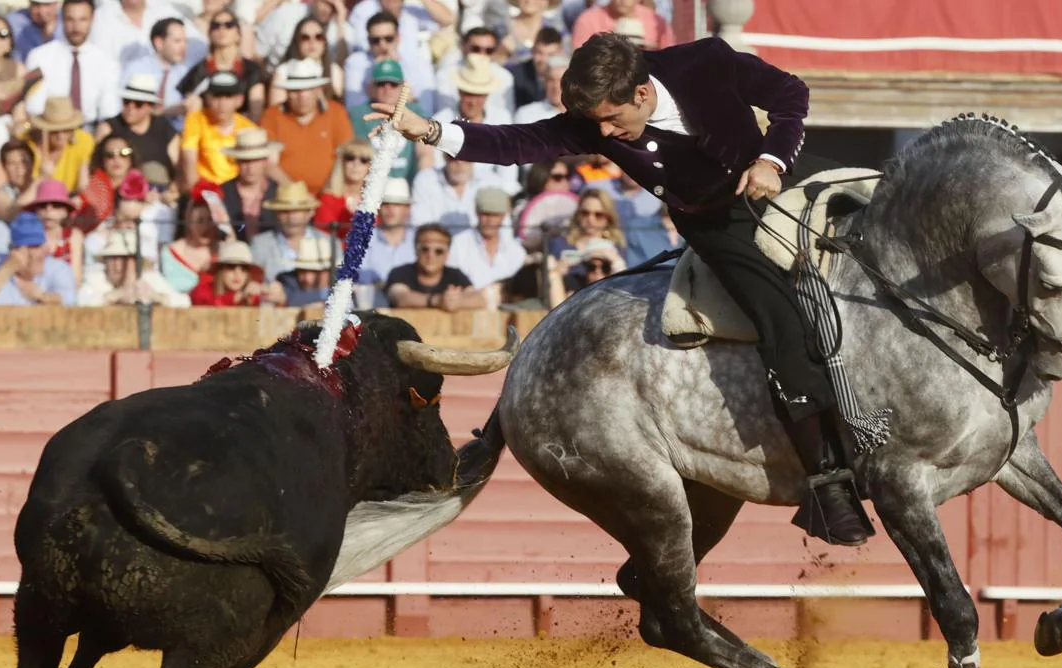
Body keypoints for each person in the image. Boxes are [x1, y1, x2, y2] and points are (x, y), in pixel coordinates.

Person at [370, 32, 869, 544]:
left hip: (787, 182)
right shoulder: (599, 120)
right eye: (596, 125)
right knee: (782, 319)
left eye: (612, 120)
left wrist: (772, 159)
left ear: (642, 93)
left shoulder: (708, 62)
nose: (605, 134)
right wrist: (429, 131)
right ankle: (827, 484)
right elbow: (518, 142)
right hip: (720, 227)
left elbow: (790, 94)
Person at [260, 57, 355, 194]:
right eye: (296, 90)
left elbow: (344, 157)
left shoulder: (336, 112)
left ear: (318, 90)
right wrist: (296, 192)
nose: (302, 96)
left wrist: (328, 192)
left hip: (329, 193)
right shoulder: (273, 116)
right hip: (286, 196)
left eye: (307, 89)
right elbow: (270, 163)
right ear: (287, 92)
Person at [26, 0, 121, 128]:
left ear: (92, 20)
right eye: (70, 19)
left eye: (82, 20)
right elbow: (34, 106)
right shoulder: (39, 57)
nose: (76, 28)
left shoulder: (107, 62)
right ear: (62, 19)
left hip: (90, 130)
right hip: (49, 128)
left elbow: (109, 110)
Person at [0, 210, 76, 305]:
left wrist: (42, 298)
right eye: (28, 247)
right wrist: (6, 270)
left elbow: (70, 299)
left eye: (38, 246)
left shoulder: (58, 268)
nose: (35, 254)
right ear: (12, 250)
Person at [177, 9, 266, 121]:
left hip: (243, 130)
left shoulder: (252, 69)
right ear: (209, 34)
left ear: (238, 34)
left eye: (229, 25)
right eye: (216, 26)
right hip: (207, 130)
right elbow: (187, 104)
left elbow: (256, 114)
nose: (221, 29)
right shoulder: (200, 69)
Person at [179, 70, 258, 187]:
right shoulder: (195, 120)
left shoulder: (249, 129)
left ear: (239, 100)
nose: (222, 103)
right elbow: (189, 165)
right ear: (207, 98)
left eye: (228, 97)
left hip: (236, 193)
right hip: (203, 191)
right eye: (217, 96)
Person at [97, 74, 180, 185]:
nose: (131, 108)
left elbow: (178, 168)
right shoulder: (107, 128)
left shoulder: (165, 130)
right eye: (126, 101)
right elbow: (96, 166)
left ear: (150, 106)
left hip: (159, 191)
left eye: (138, 104)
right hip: (119, 190)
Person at [447, 185, 525, 302]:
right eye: (485, 214)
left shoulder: (516, 251)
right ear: (477, 212)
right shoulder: (457, 245)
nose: (490, 220)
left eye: (495, 215)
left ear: (503, 216)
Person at [78, 228, 189, 306]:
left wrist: (157, 297)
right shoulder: (97, 278)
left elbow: (184, 302)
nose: (117, 265)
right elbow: (79, 302)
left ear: (136, 262)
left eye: (124, 259)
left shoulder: (149, 279)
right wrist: (112, 296)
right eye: (112, 258)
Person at [386, 222, 484, 310]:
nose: (431, 256)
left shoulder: (455, 275)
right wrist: (436, 301)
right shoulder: (400, 273)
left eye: (439, 251)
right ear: (416, 250)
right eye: (425, 249)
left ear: (447, 255)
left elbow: (479, 299)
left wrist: (456, 302)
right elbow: (401, 298)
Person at [268, 16, 344, 107]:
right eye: (305, 37)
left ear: (325, 41)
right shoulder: (283, 71)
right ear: (297, 41)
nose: (312, 42)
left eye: (318, 37)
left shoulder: (335, 71)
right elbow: (276, 110)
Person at [220, 127, 280, 240]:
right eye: (245, 161)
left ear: (265, 161)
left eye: (256, 160)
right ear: (237, 161)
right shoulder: (223, 192)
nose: (250, 168)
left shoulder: (278, 193)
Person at [25, 97, 94, 193]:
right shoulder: (28, 145)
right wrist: (41, 178)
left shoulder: (83, 140)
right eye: (54, 131)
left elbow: (83, 185)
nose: (60, 136)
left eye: (66, 130)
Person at [189, 238, 282, 305]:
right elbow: (199, 299)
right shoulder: (203, 290)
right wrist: (237, 297)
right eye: (231, 267)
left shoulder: (254, 295)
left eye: (244, 268)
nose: (237, 273)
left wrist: (277, 300)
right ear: (221, 270)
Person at [24, 178, 83, 284]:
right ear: (36, 211)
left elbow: (76, 279)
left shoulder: (74, 236)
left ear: (65, 211)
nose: (48, 210)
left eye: (56, 205)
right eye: (42, 205)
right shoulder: (27, 237)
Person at [275, 236, 334, 307]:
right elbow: (291, 298)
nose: (307, 278)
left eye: (313, 271)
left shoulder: (343, 281)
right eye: (302, 271)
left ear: (327, 272)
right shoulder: (287, 279)